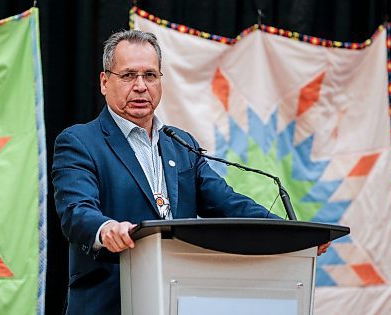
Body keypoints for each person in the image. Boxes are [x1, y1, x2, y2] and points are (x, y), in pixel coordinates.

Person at [52, 29, 330, 315]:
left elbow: (228, 203)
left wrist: (293, 234)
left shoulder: (180, 144)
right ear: (104, 82)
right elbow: (76, 210)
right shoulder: (80, 141)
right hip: (109, 303)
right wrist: (107, 228)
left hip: (181, 299)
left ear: (160, 80)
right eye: (128, 75)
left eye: (150, 75)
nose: (140, 86)